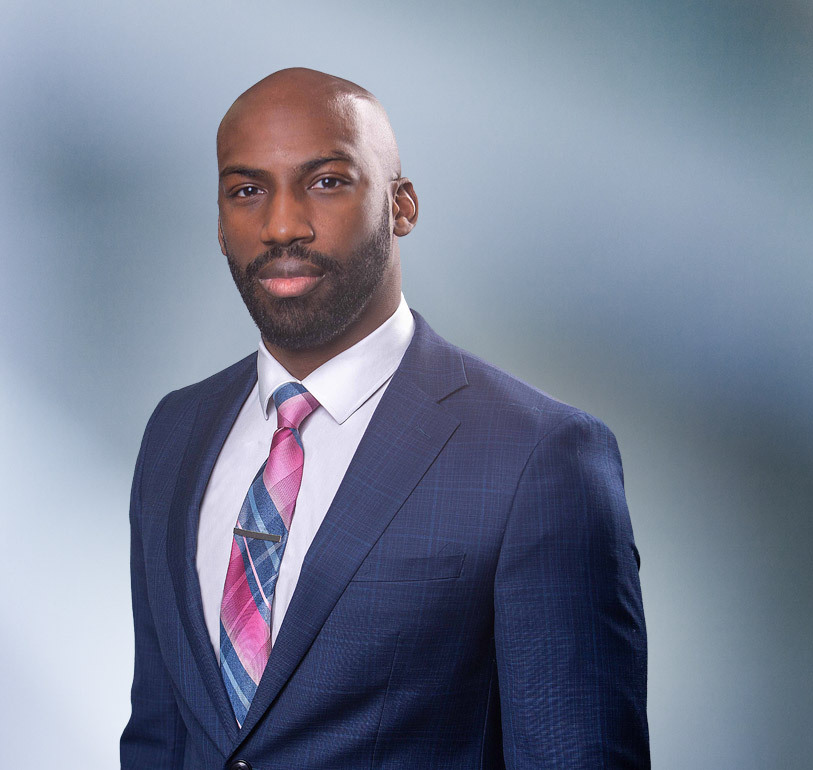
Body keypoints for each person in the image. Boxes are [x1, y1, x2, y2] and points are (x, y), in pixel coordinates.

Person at [120, 68, 649, 769]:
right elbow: (161, 736)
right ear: (220, 223)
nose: (282, 225)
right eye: (248, 191)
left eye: (327, 182)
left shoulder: (537, 458)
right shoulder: (175, 433)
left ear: (401, 206)